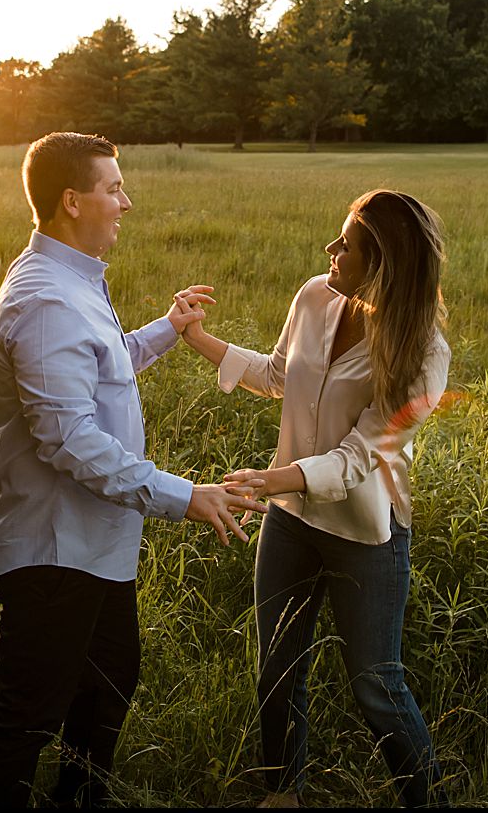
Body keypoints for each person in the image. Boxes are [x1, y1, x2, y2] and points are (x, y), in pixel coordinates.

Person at [0, 132, 267, 808]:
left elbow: (99, 368)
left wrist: (168, 327)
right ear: (73, 201)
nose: (126, 202)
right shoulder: (45, 300)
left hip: (94, 548)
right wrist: (183, 494)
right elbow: (69, 438)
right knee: (25, 720)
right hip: (54, 552)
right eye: (113, 188)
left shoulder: (72, 282)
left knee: (104, 691)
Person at [175, 189, 450, 808]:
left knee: (376, 687)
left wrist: (272, 480)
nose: (330, 250)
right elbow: (277, 375)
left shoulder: (424, 352)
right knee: (276, 667)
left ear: (382, 262)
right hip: (292, 522)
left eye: (345, 245)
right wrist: (199, 340)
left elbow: (360, 457)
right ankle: (282, 795)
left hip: (366, 535)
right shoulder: (314, 296)